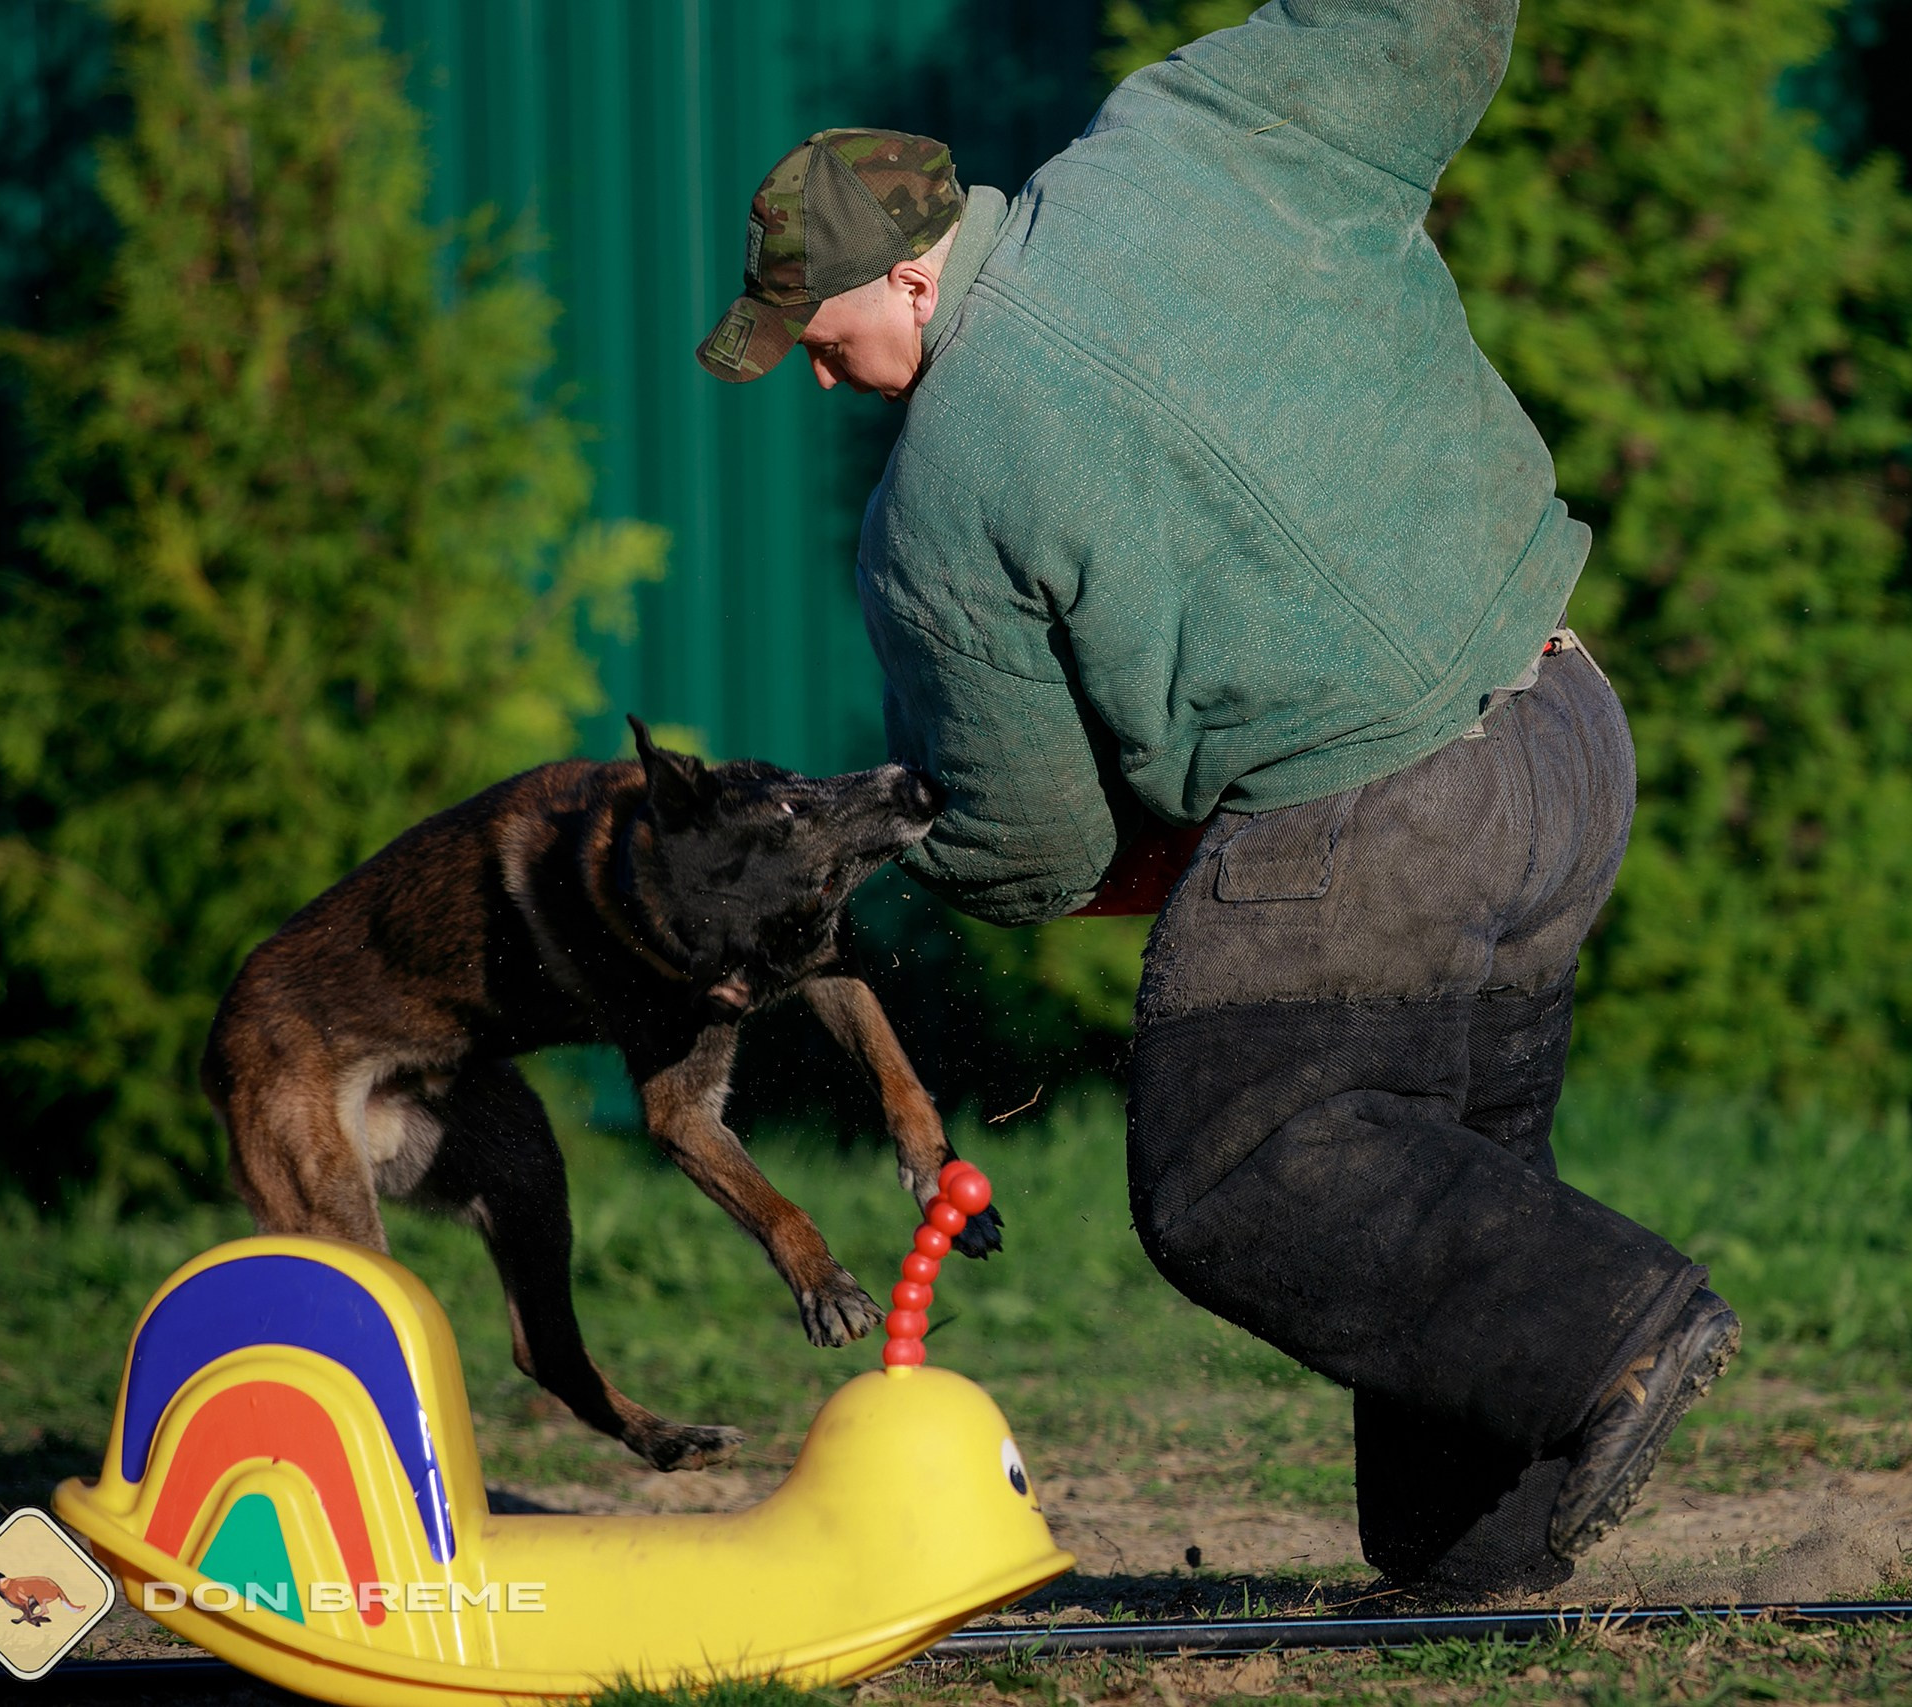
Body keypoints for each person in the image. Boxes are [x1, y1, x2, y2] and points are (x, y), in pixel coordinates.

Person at [693, 1, 1737, 1595]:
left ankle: (1617, 1327)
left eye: (822, 344)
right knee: (1434, 1162)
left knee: (1229, 1159)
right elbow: (1431, 23)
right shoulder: (1192, 137)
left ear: (907, 279)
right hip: (1569, 726)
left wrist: (1062, 857)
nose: (826, 387)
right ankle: (1479, 1562)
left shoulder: (933, 513)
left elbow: (1025, 846)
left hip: (1382, 813)